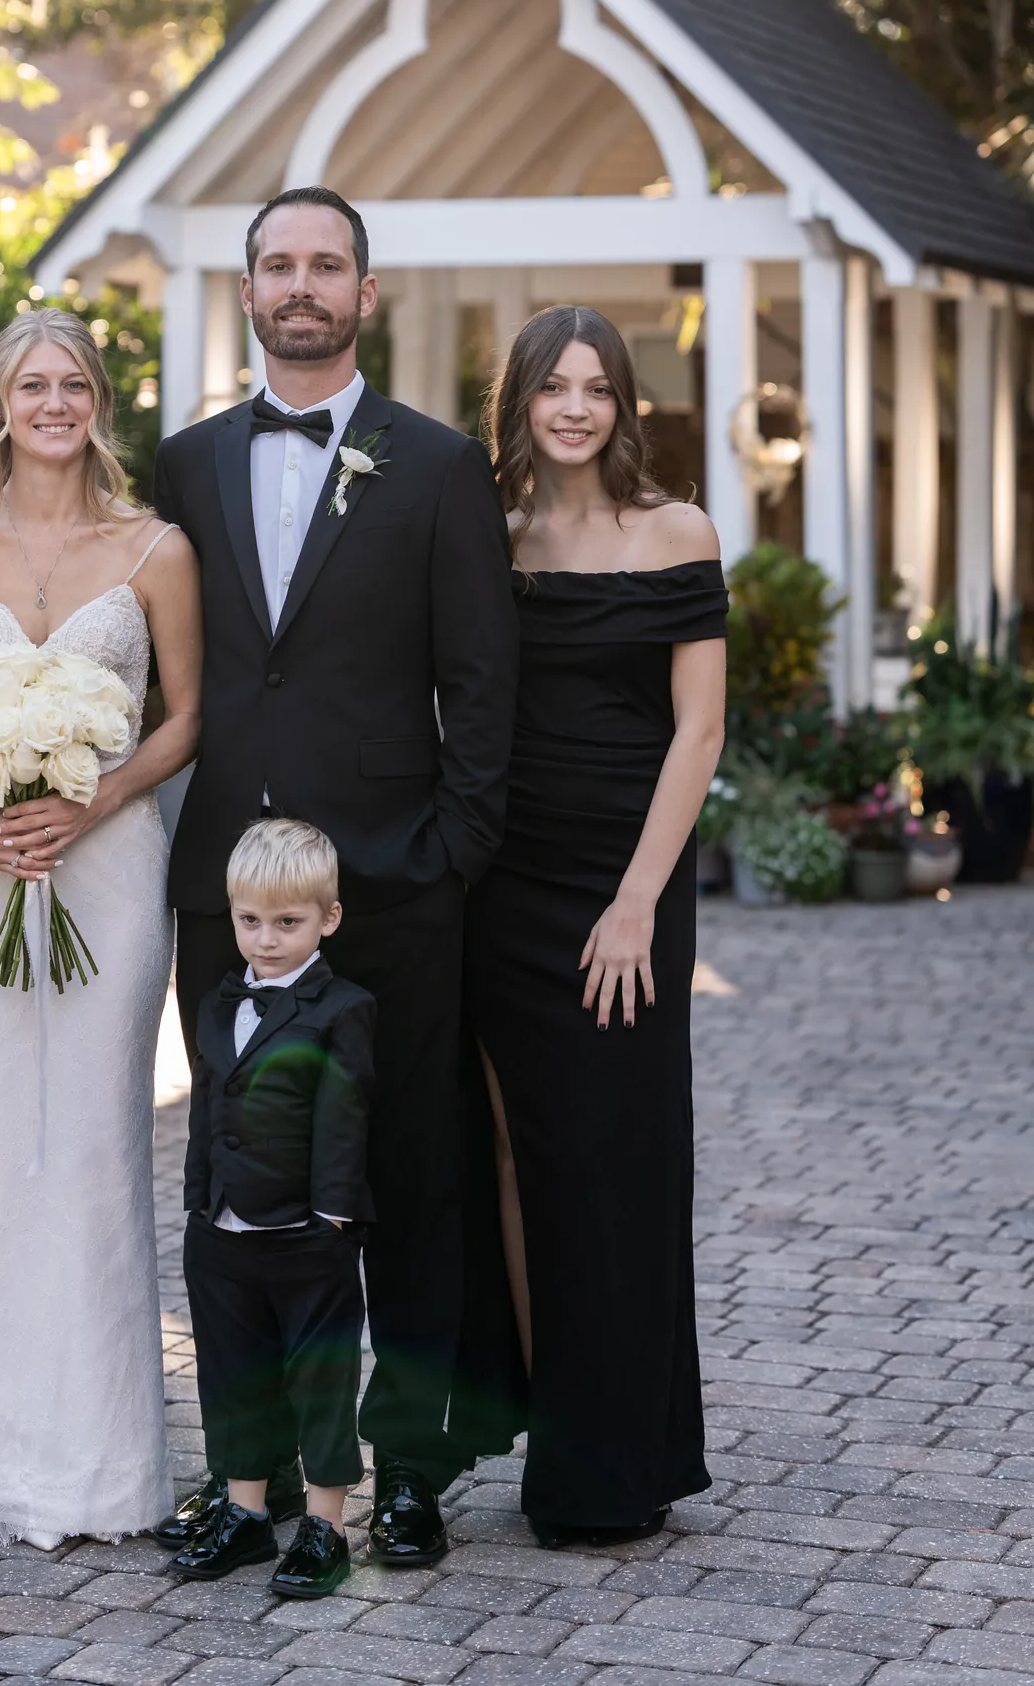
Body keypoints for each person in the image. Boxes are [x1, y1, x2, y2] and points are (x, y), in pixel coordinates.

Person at [153, 186, 517, 1565]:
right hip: (225, 900)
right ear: (247, 289)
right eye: (278, 263)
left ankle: (410, 1468)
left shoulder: (432, 467)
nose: (301, 284)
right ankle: (247, 1483)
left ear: (368, 292)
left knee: (411, 1182)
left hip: (394, 894)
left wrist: (448, 858)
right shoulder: (182, 467)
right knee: (235, 1197)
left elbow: (483, 686)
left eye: (327, 264)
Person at [0, 308, 202, 1547]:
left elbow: (184, 717)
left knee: (90, 1139)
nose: (53, 402)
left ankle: (98, 1461)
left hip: (110, 870)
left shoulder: (154, 547)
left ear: (99, 402)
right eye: (31, 383)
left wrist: (94, 799)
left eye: (73, 383)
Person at [462, 305, 726, 1549]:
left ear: (625, 404)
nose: (575, 407)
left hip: (628, 885)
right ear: (516, 400)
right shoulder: (492, 540)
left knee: (620, 1156)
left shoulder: (676, 530)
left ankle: (629, 1450)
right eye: (552, 387)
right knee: (518, 1158)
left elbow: (700, 730)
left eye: (597, 388)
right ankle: (557, 1430)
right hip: (504, 881)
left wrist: (635, 901)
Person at [176, 818, 375, 1601]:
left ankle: (324, 1525)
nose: (265, 939)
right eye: (249, 920)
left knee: (317, 1381)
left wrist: (330, 1219)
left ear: (327, 918)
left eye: (287, 922)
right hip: (222, 1232)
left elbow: (344, 1117)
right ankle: (246, 1512)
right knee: (232, 1378)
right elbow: (205, 1108)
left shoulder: (342, 1008)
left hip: (304, 1236)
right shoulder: (218, 1003)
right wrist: (199, 1204)